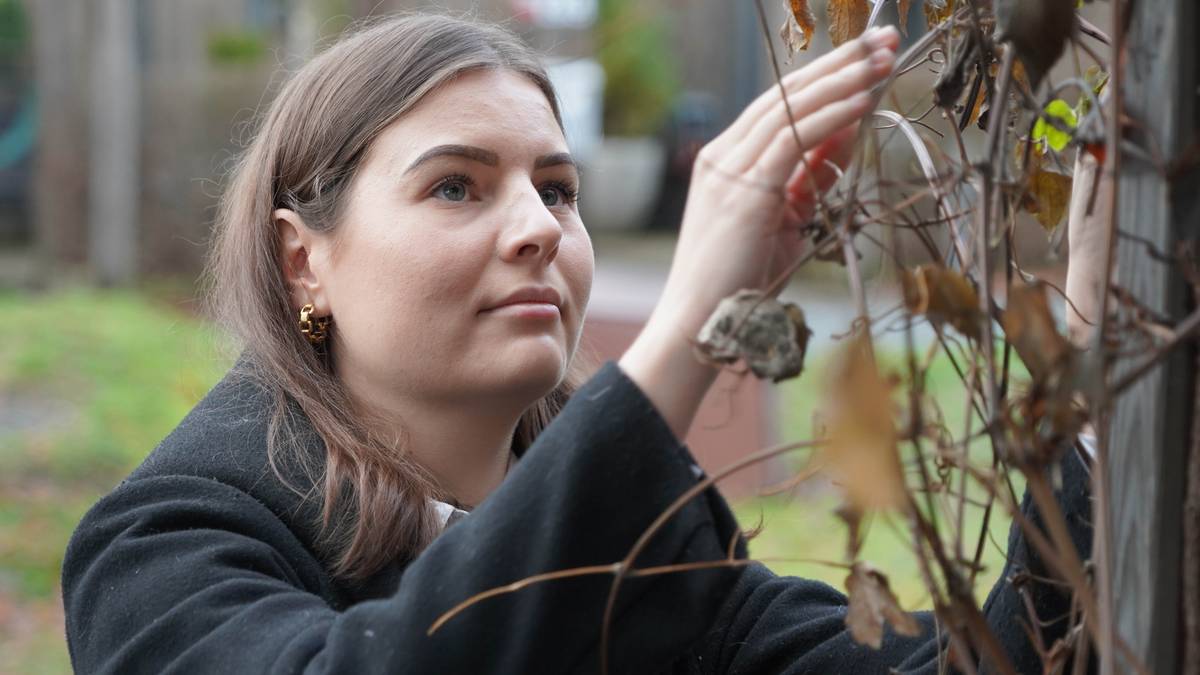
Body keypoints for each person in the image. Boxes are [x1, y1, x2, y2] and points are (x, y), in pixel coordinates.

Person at [61, 13, 1092, 674]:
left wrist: (1085, 372)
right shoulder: (166, 550)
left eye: (558, 190)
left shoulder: (650, 554)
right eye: (456, 184)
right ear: (303, 262)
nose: (541, 227)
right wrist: (686, 333)